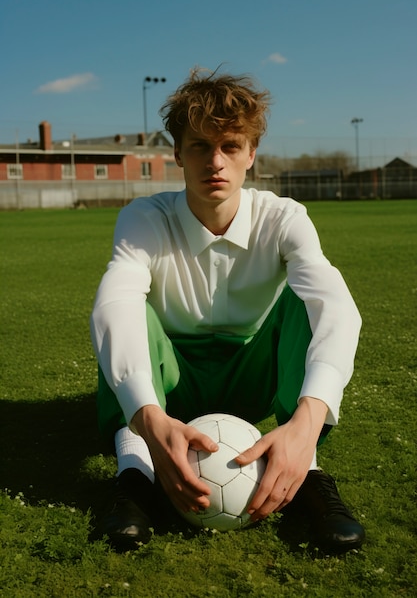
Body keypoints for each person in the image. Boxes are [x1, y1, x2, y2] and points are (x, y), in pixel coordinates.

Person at [90, 68, 365, 554]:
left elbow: (336, 306)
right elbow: (115, 303)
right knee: (125, 310)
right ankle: (134, 475)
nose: (215, 161)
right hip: (171, 382)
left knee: (309, 298)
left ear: (251, 154)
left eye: (231, 145)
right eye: (198, 145)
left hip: (250, 380)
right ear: (176, 153)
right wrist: (150, 419)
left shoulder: (284, 218)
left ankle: (308, 472)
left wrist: (306, 423)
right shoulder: (144, 218)